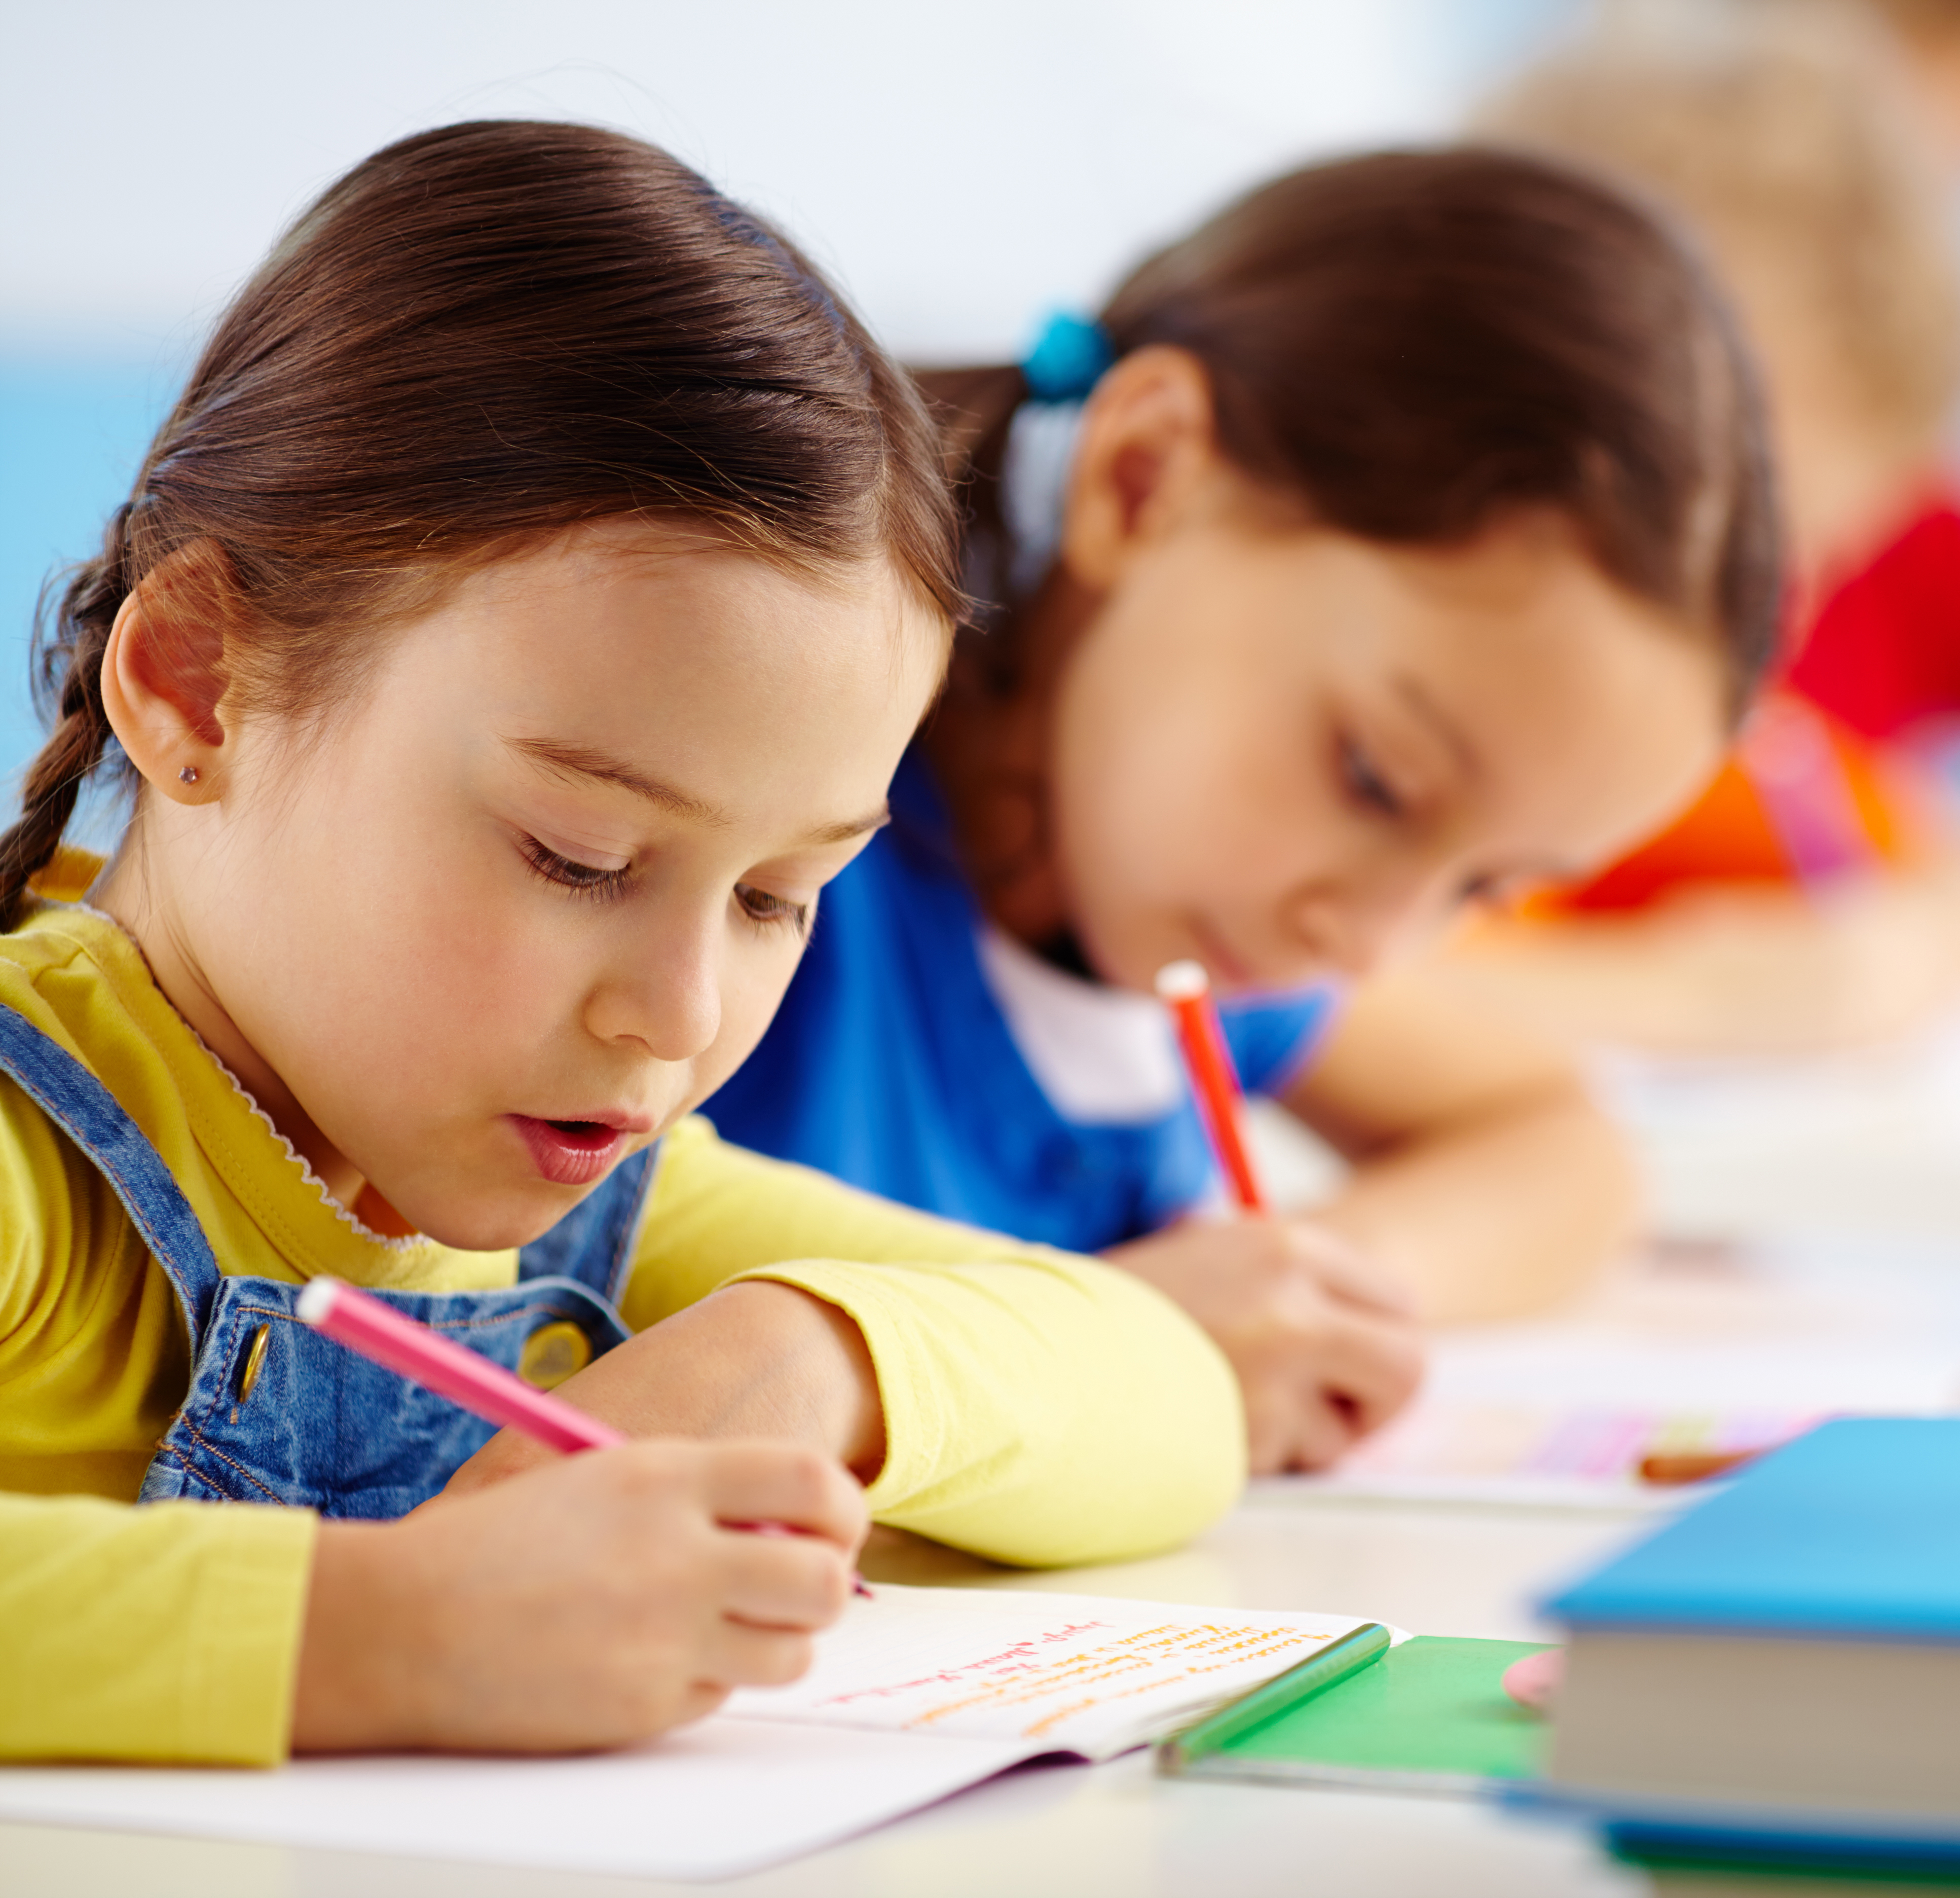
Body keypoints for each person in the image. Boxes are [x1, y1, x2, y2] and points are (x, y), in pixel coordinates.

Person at [0, 122, 1243, 1767]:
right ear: (197, 686)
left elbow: (1172, 1392)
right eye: (574, 855)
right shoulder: (36, 1152)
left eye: (775, 898)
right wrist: (395, 1631)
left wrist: (809, 1362)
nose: (678, 1015)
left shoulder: (588, 1218)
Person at [702, 149, 1781, 1464]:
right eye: (1376, 779)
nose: (1371, 940)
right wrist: (1122, 1338)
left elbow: (1560, 1147)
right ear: (1145, 480)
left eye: (1485, 885)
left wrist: (1317, 1279)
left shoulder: (1178, 891)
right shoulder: (742, 844)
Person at [1444, 0, 1960, 1054]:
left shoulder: (1746, 759)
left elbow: (1955, 858)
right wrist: (1710, 997)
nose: (1768, 636)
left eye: (1799, 571)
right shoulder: (1423, 733)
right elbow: (1319, 1005)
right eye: (1742, 557)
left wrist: (1899, 944)